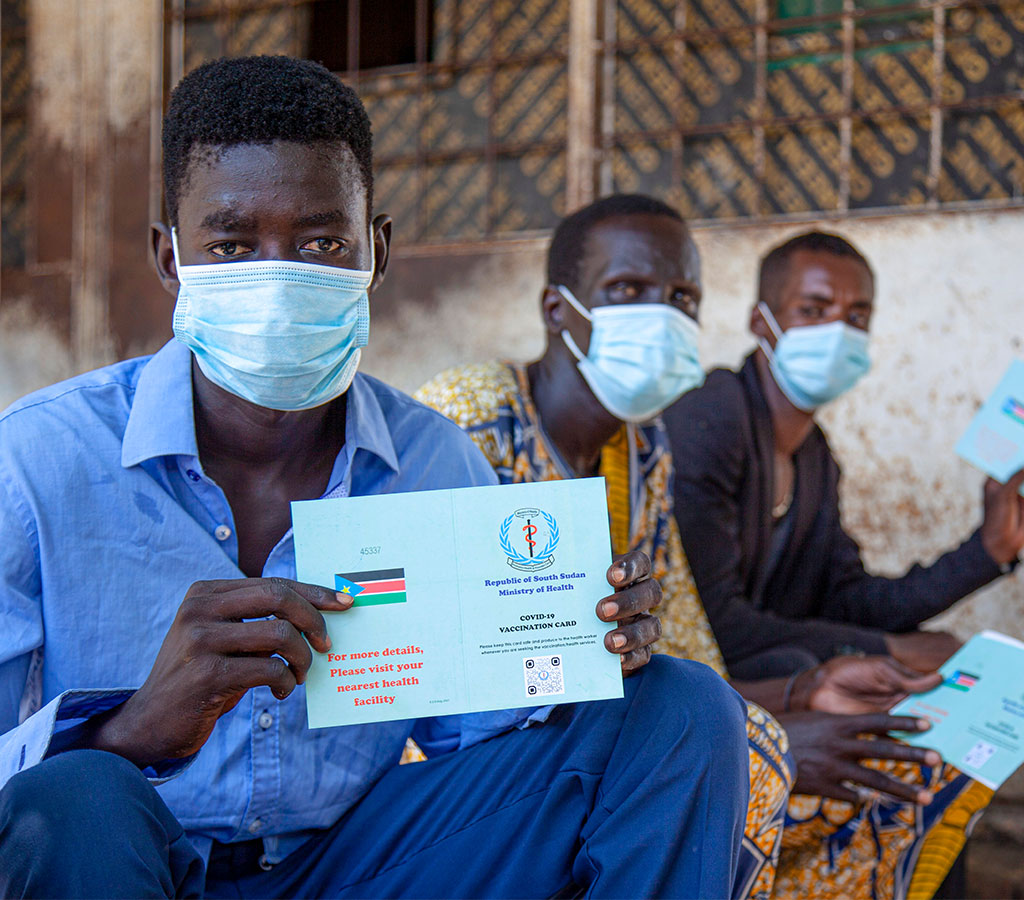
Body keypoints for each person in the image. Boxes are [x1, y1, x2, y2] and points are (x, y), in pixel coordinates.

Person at [0, 57, 753, 899]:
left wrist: (579, 648)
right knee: (74, 800)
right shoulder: (39, 462)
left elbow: (487, 737)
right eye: (232, 245)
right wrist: (134, 731)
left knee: (683, 709)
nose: (279, 282)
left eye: (321, 244)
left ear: (377, 251)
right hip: (121, 866)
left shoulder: (436, 465)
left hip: (354, 869)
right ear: (170, 259)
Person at [417, 194, 995, 900]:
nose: (659, 315)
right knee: (760, 763)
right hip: (472, 763)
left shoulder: (644, 448)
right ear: (557, 310)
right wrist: (778, 724)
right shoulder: (477, 416)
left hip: (608, 732)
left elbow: (684, 646)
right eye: (626, 290)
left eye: (681, 298)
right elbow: (444, 678)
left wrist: (803, 694)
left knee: (896, 761)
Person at [663, 230, 1024, 681]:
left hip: (742, 668)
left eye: (856, 317)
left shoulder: (815, 456)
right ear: (761, 322)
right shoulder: (711, 417)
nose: (837, 332)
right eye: (813, 311)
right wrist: (890, 650)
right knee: (808, 668)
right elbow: (715, 624)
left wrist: (988, 550)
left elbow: (847, 602)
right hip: (679, 673)